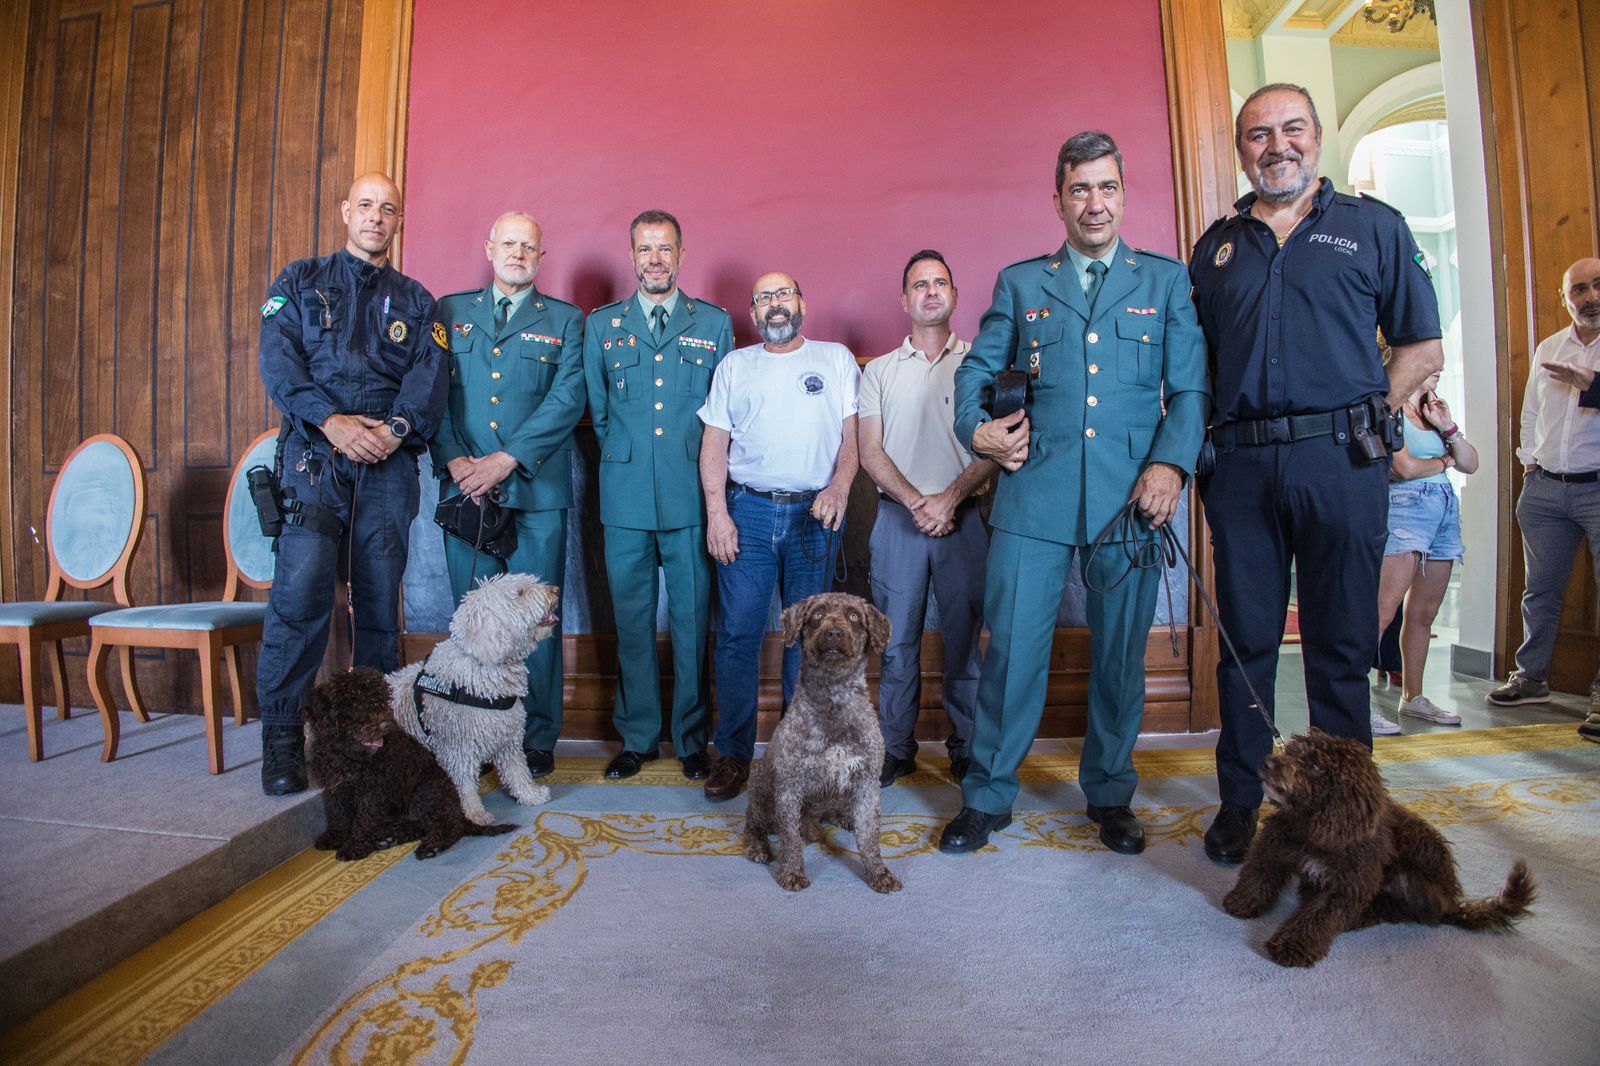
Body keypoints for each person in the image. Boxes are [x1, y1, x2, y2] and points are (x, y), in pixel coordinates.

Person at [1190, 83, 1445, 863]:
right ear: (1242, 150)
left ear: (1317, 136)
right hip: (1238, 467)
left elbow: (1421, 347)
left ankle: (1346, 812)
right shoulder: (1216, 246)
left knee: (1341, 643)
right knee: (1247, 645)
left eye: (1290, 129)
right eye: (1259, 135)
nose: (1277, 146)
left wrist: (1378, 411)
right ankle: (1240, 804)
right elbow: (1194, 362)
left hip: (1341, 461)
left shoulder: (1376, 228)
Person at [940, 131, 1209, 855]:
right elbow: (974, 374)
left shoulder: (1165, 281)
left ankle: (1111, 793)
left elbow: (1188, 390)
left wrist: (1172, 468)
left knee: (1121, 656)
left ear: (1125, 193)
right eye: (1081, 189)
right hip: (1034, 495)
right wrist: (979, 430)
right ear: (1058, 199)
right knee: (1011, 654)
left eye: (1108, 187)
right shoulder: (1022, 282)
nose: (1096, 203)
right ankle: (988, 793)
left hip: (1131, 498)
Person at [256, 172, 449, 795]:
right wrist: (331, 421)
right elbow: (278, 361)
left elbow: (428, 379)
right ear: (346, 212)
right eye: (365, 205)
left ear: (399, 221)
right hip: (314, 459)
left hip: (388, 465)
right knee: (300, 598)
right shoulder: (299, 281)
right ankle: (283, 742)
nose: (375, 216)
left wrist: (392, 430)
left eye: (387, 209)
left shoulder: (419, 301)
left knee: (378, 605)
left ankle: (374, 741)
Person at [430, 212, 584, 779]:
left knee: (536, 622)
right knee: (472, 620)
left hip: (534, 490)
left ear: (542, 257)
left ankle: (537, 735)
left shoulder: (566, 321)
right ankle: (474, 729)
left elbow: (567, 399)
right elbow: (431, 394)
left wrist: (505, 459)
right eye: (509, 243)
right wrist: (454, 460)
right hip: (464, 490)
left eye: (529, 246)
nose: (518, 253)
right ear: (489, 247)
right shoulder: (448, 312)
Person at [696, 272, 861, 800]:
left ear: (801, 303)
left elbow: (853, 438)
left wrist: (839, 487)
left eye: (782, 294)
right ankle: (734, 755)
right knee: (738, 637)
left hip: (816, 514)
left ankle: (805, 753)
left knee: (809, 642)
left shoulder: (835, 359)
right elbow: (713, 447)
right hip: (749, 513)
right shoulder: (734, 366)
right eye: (763, 297)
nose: (774, 304)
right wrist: (717, 515)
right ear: (752, 312)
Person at [582, 211, 733, 781]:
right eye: (645, 249)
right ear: (632, 256)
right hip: (623, 497)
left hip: (691, 496)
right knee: (632, 621)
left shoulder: (714, 324)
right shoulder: (603, 326)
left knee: (694, 621)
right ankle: (639, 737)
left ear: (681, 255)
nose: (655, 259)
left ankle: (692, 739)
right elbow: (599, 415)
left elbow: (721, 417)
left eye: (664, 249)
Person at [859, 251, 995, 787]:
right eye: (920, 284)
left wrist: (950, 499)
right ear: (905, 299)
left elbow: (997, 445)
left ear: (955, 295)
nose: (931, 291)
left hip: (965, 521)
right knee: (895, 645)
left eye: (940, 283)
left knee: (965, 644)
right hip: (898, 521)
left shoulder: (979, 365)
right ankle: (895, 748)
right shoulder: (881, 373)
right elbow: (869, 450)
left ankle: (965, 747)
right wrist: (920, 502)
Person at [1489, 256, 1600, 745]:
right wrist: (1529, 463)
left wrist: (1591, 386)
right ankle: (1530, 678)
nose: (1589, 297)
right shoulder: (1549, 347)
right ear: (1564, 297)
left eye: (1597, 286)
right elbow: (1531, 410)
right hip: (1546, 489)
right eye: (1578, 289)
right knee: (1540, 591)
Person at [1375, 366, 1478, 730]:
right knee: (1382, 612)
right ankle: (1351, 702)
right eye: (1432, 360)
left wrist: (1448, 428)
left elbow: (1470, 462)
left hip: (1444, 508)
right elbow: (1404, 468)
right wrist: (1444, 461)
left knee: (1423, 613)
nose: (1440, 367)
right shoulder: (1389, 406)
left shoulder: (1433, 411)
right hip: (1404, 508)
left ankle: (1412, 697)